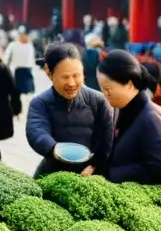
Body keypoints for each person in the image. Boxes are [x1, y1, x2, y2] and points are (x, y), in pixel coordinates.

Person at [26, 42, 114, 178]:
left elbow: (107, 140)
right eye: (65, 77)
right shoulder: (40, 103)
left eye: (76, 75)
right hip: (53, 171)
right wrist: (54, 149)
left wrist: (95, 165)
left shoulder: (98, 101)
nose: (72, 83)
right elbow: (36, 131)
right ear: (49, 73)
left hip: (92, 172)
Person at [96, 51, 161, 184]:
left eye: (108, 89)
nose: (105, 94)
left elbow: (157, 169)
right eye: (102, 90)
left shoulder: (149, 117)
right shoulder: (123, 109)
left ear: (129, 84)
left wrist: (108, 175)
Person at [5, 27, 37, 116]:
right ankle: (19, 111)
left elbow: (32, 60)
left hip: (26, 70)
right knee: (20, 93)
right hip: (20, 70)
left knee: (27, 95)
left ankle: (24, 112)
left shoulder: (27, 45)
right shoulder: (15, 45)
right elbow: (7, 57)